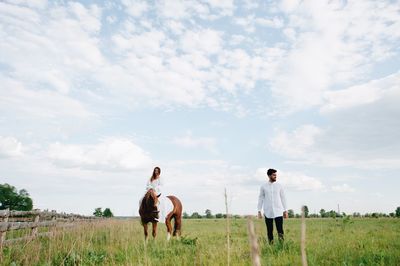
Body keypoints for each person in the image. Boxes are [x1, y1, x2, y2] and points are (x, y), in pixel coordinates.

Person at [257, 168, 288, 244]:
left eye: (276, 175)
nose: (275, 176)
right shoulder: (263, 186)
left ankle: (281, 246)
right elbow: (260, 198)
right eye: (274, 175)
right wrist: (259, 210)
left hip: (278, 211)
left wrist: (285, 210)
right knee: (269, 230)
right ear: (269, 175)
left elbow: (283, 198)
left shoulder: (279, 186)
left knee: (280, 230)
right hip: (268, 211)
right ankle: (271, 246)